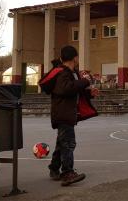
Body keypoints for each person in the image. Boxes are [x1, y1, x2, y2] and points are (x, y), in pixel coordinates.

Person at [38, 46, 98, 187]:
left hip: (66, 113)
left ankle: (54, 167)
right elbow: (67, 89)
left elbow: (73, 90)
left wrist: (89, 93)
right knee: (69, 143)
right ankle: (67, 173)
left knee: (62, 142)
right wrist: (86, 81)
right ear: (75, 58)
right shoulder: (62, 73)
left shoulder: (71, 73)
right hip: (63, 114)